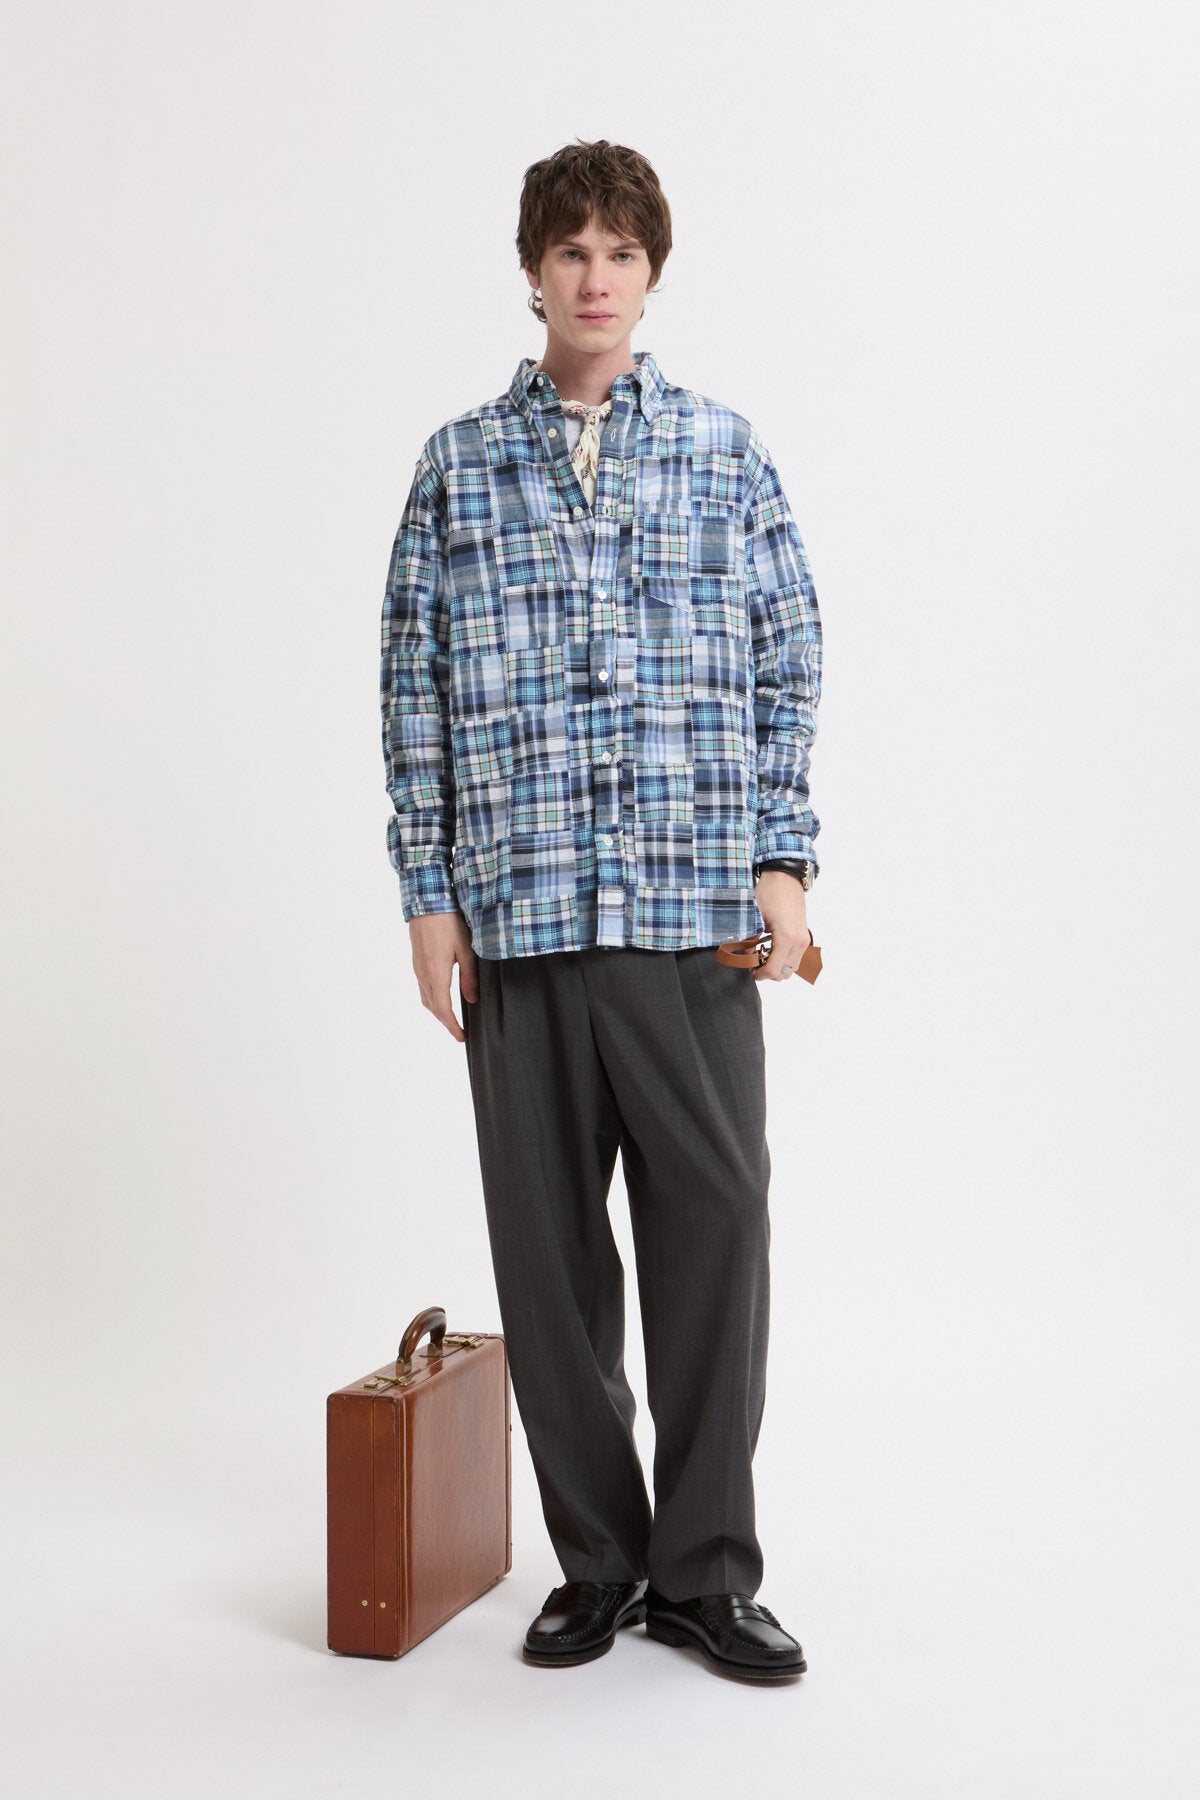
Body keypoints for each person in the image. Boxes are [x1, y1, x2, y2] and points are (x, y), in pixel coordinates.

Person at [380, 138, 822, 1682]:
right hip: (520, 916)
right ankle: (602, 1565)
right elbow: (414, 689)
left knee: (718, 1228)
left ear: (650, 272)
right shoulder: (457, 468)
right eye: (569, 250)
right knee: (552, 1260)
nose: (594, 276)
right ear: (533, 270)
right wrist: (429, 895)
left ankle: (706, 1572)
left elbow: (787, 659)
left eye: (619, 252)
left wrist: (783, 856)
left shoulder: (722, 453)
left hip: (690, 908)